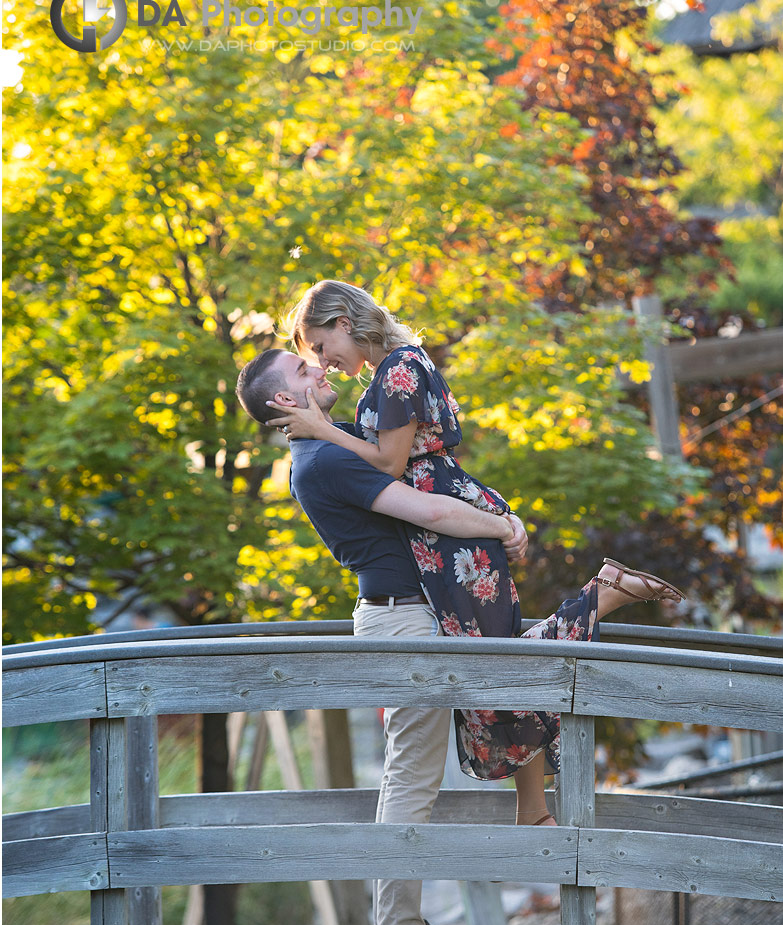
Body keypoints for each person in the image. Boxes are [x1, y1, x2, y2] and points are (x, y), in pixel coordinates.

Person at [236, 346, 683, 925]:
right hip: (404, 622)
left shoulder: (327, 449)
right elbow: (429, 511)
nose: (321, 370)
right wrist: (502, 525)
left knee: (475, 720)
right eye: (305, 372)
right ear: (285, 400)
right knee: (413, 778)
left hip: (415, 615)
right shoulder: (325, 459)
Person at [265, 279, 685, 829]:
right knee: (504, 665)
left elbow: (389, 466)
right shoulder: (396, 367)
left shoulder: (395, 371)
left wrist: (322, 428)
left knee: (503, 668)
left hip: (451, 543)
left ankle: (601, 597)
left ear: (343, 323)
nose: (323, 360)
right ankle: (531, 811)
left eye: (320, 346)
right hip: (446, 540)